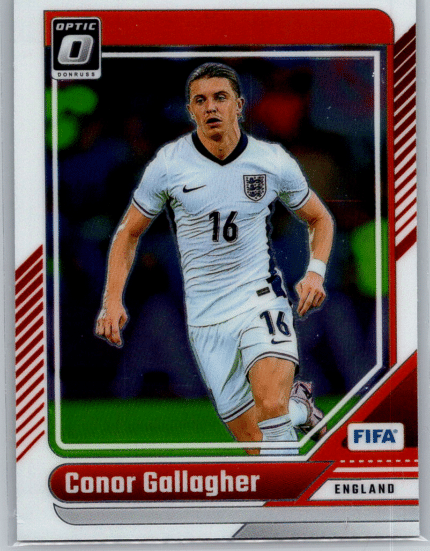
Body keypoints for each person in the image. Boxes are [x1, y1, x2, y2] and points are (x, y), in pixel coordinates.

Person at [96, 63, 334, 455]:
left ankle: (289, 486)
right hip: (206, 317)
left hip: (260, 301)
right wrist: (111, 299)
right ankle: (301, 408)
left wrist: (315, 272)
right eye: (200, 100)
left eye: (220, 97)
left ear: (238, 104)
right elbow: (128, 233)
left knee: (270, 410)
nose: (211, 107)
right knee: (253, 441)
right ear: (191, 110)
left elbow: (319, 218)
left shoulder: (271, 160)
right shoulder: (170, 164)